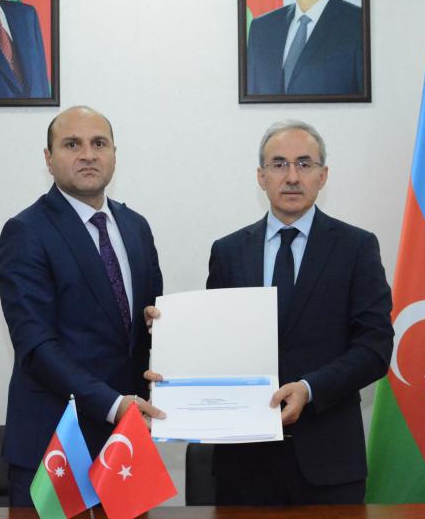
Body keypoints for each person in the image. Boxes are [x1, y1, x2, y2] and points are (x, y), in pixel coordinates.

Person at [148, 120, 392, 504]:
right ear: (261, 177)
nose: (292, 176)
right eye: (279, 164)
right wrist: (170, 347)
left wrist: (309, 389)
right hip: (243, 467)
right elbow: (216, 345)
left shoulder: (356, 248)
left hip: (329, 464)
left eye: (304, 163)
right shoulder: (228, 251)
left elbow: (375, 349)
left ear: (323, 175)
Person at [0, 106, 164, 507]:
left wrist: (160, 328)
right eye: (72, 144)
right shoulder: (26, 232)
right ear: (49, 158)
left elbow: (146, 325)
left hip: (126, 445)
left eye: (99, 143)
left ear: (114, 155)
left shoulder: (136, 227)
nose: (88, 154)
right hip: (55, 445)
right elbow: (36, 346)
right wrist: (113, 405)